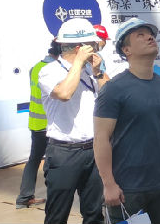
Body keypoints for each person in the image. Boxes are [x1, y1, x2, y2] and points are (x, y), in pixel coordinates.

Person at [94, 18, 160, 224]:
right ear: (126, 50)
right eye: (140, 35)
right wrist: (109, 184)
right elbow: (101, 138)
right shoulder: (114, 89)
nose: (149, 37)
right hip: (127, 190)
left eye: (150, 34)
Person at [37, 18, 107, 224]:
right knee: (57, 215)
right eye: (92, 45)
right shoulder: (49, 71)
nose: (96, 48)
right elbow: (64, 93)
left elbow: (110, 95)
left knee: (94, 214)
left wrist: (98, 72)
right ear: (79, 47)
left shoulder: (90, 70)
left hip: (93, 150)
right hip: (64, 153)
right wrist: (78, 63)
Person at [16, 40, 58, 209]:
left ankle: (24, 197)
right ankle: (55, 198)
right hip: (50, 124)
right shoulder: (54, 70)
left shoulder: (35, 68)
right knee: (52, 162)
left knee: (34, 160)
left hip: (36, 122)